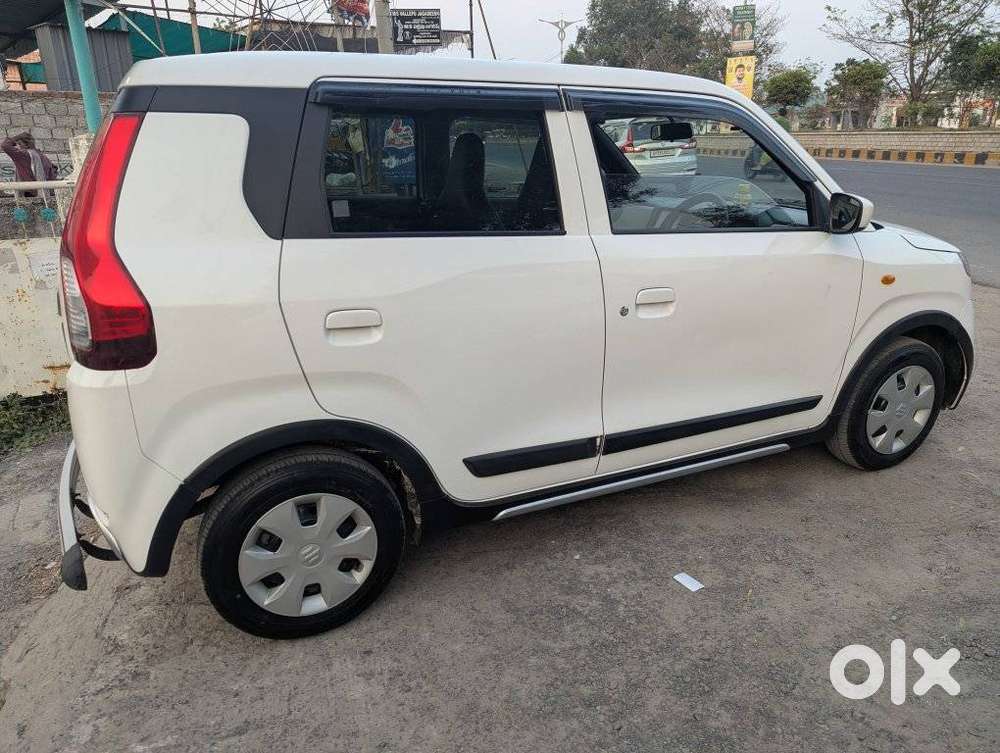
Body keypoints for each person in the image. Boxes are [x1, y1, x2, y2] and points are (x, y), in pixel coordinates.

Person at [2, 131, 57, 197]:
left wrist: (16, 137)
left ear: (26, 145)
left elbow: (4, 145)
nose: (17, 146)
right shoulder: (40, 155)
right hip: (46, 191)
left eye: (19, 144)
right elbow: (53, 170)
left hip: (31, 193)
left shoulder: (23, 155)